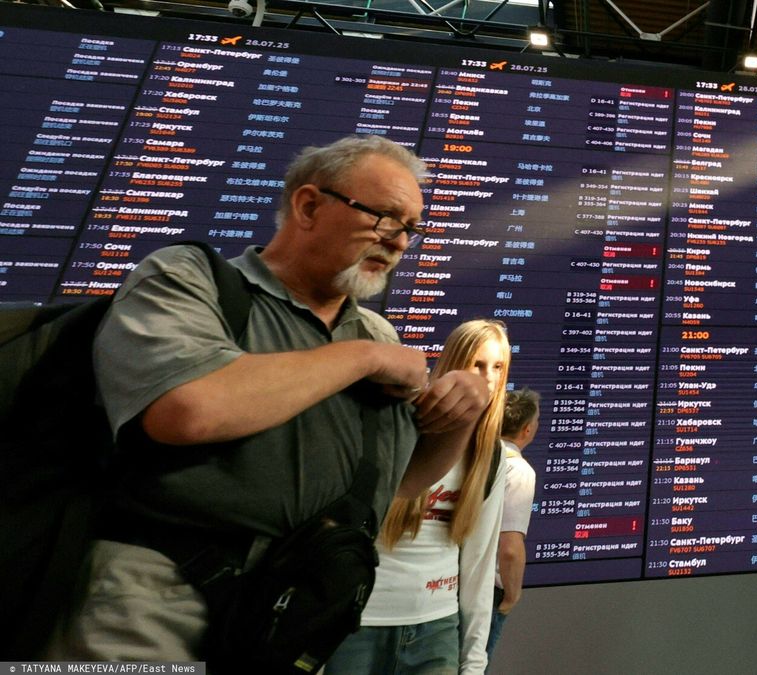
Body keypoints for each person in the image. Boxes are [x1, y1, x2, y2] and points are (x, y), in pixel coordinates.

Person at [46, 135, 490, 661]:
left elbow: (399, 481)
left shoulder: (373, 331)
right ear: (307, 206)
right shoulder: (189, 279)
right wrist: (362, 359)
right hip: (151, 606)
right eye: (385, 218)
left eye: (410, 229)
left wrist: (462, 415)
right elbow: (187, 409)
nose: (397, 243)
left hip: (292, 614)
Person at [326, 319, 511, 675]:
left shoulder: (491, 456)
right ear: (454, 362)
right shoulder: (400, 429)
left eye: (498, 367)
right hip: (359, 621)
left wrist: (474, 661)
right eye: (478, 363)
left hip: (436, 627)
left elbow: (479, 563)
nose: (487, 377)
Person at [486, 387, 541, 664]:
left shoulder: (476, 457)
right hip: (489, 594)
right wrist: (512, 596)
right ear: (527, 429)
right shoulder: (519, 471)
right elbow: (510, 547)